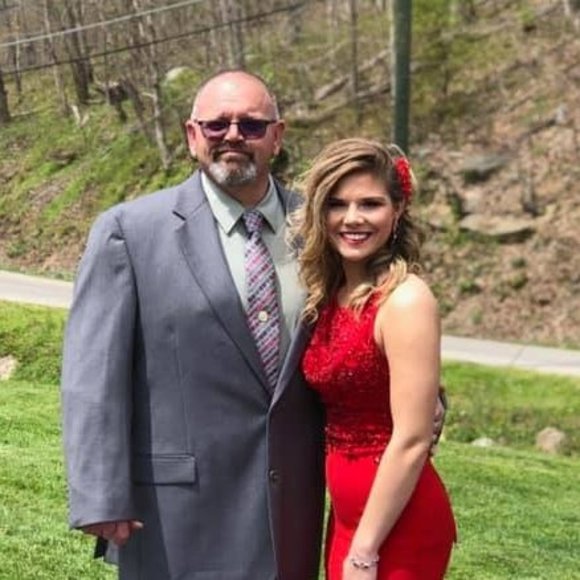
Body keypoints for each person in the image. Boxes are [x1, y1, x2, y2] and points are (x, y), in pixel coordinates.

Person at [61, 69, 326, 580]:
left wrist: (418, 400)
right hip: (176, 512)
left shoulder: (320, 226)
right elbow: (92, 375)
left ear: (277, 136)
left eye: (251, 125)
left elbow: (368, 328)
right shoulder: (130, 232)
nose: (233, 136)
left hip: (292, 505)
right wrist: (99, 493)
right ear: (191, 135)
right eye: (216, 125)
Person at [297, 138, 457, 579]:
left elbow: (412, 438)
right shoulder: (328, 295)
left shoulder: (405, 301)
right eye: (337, 204)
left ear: (397, 210)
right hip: (347, 517)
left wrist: (364, 552)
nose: (352, 218)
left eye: (370, 204)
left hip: (395, 524)